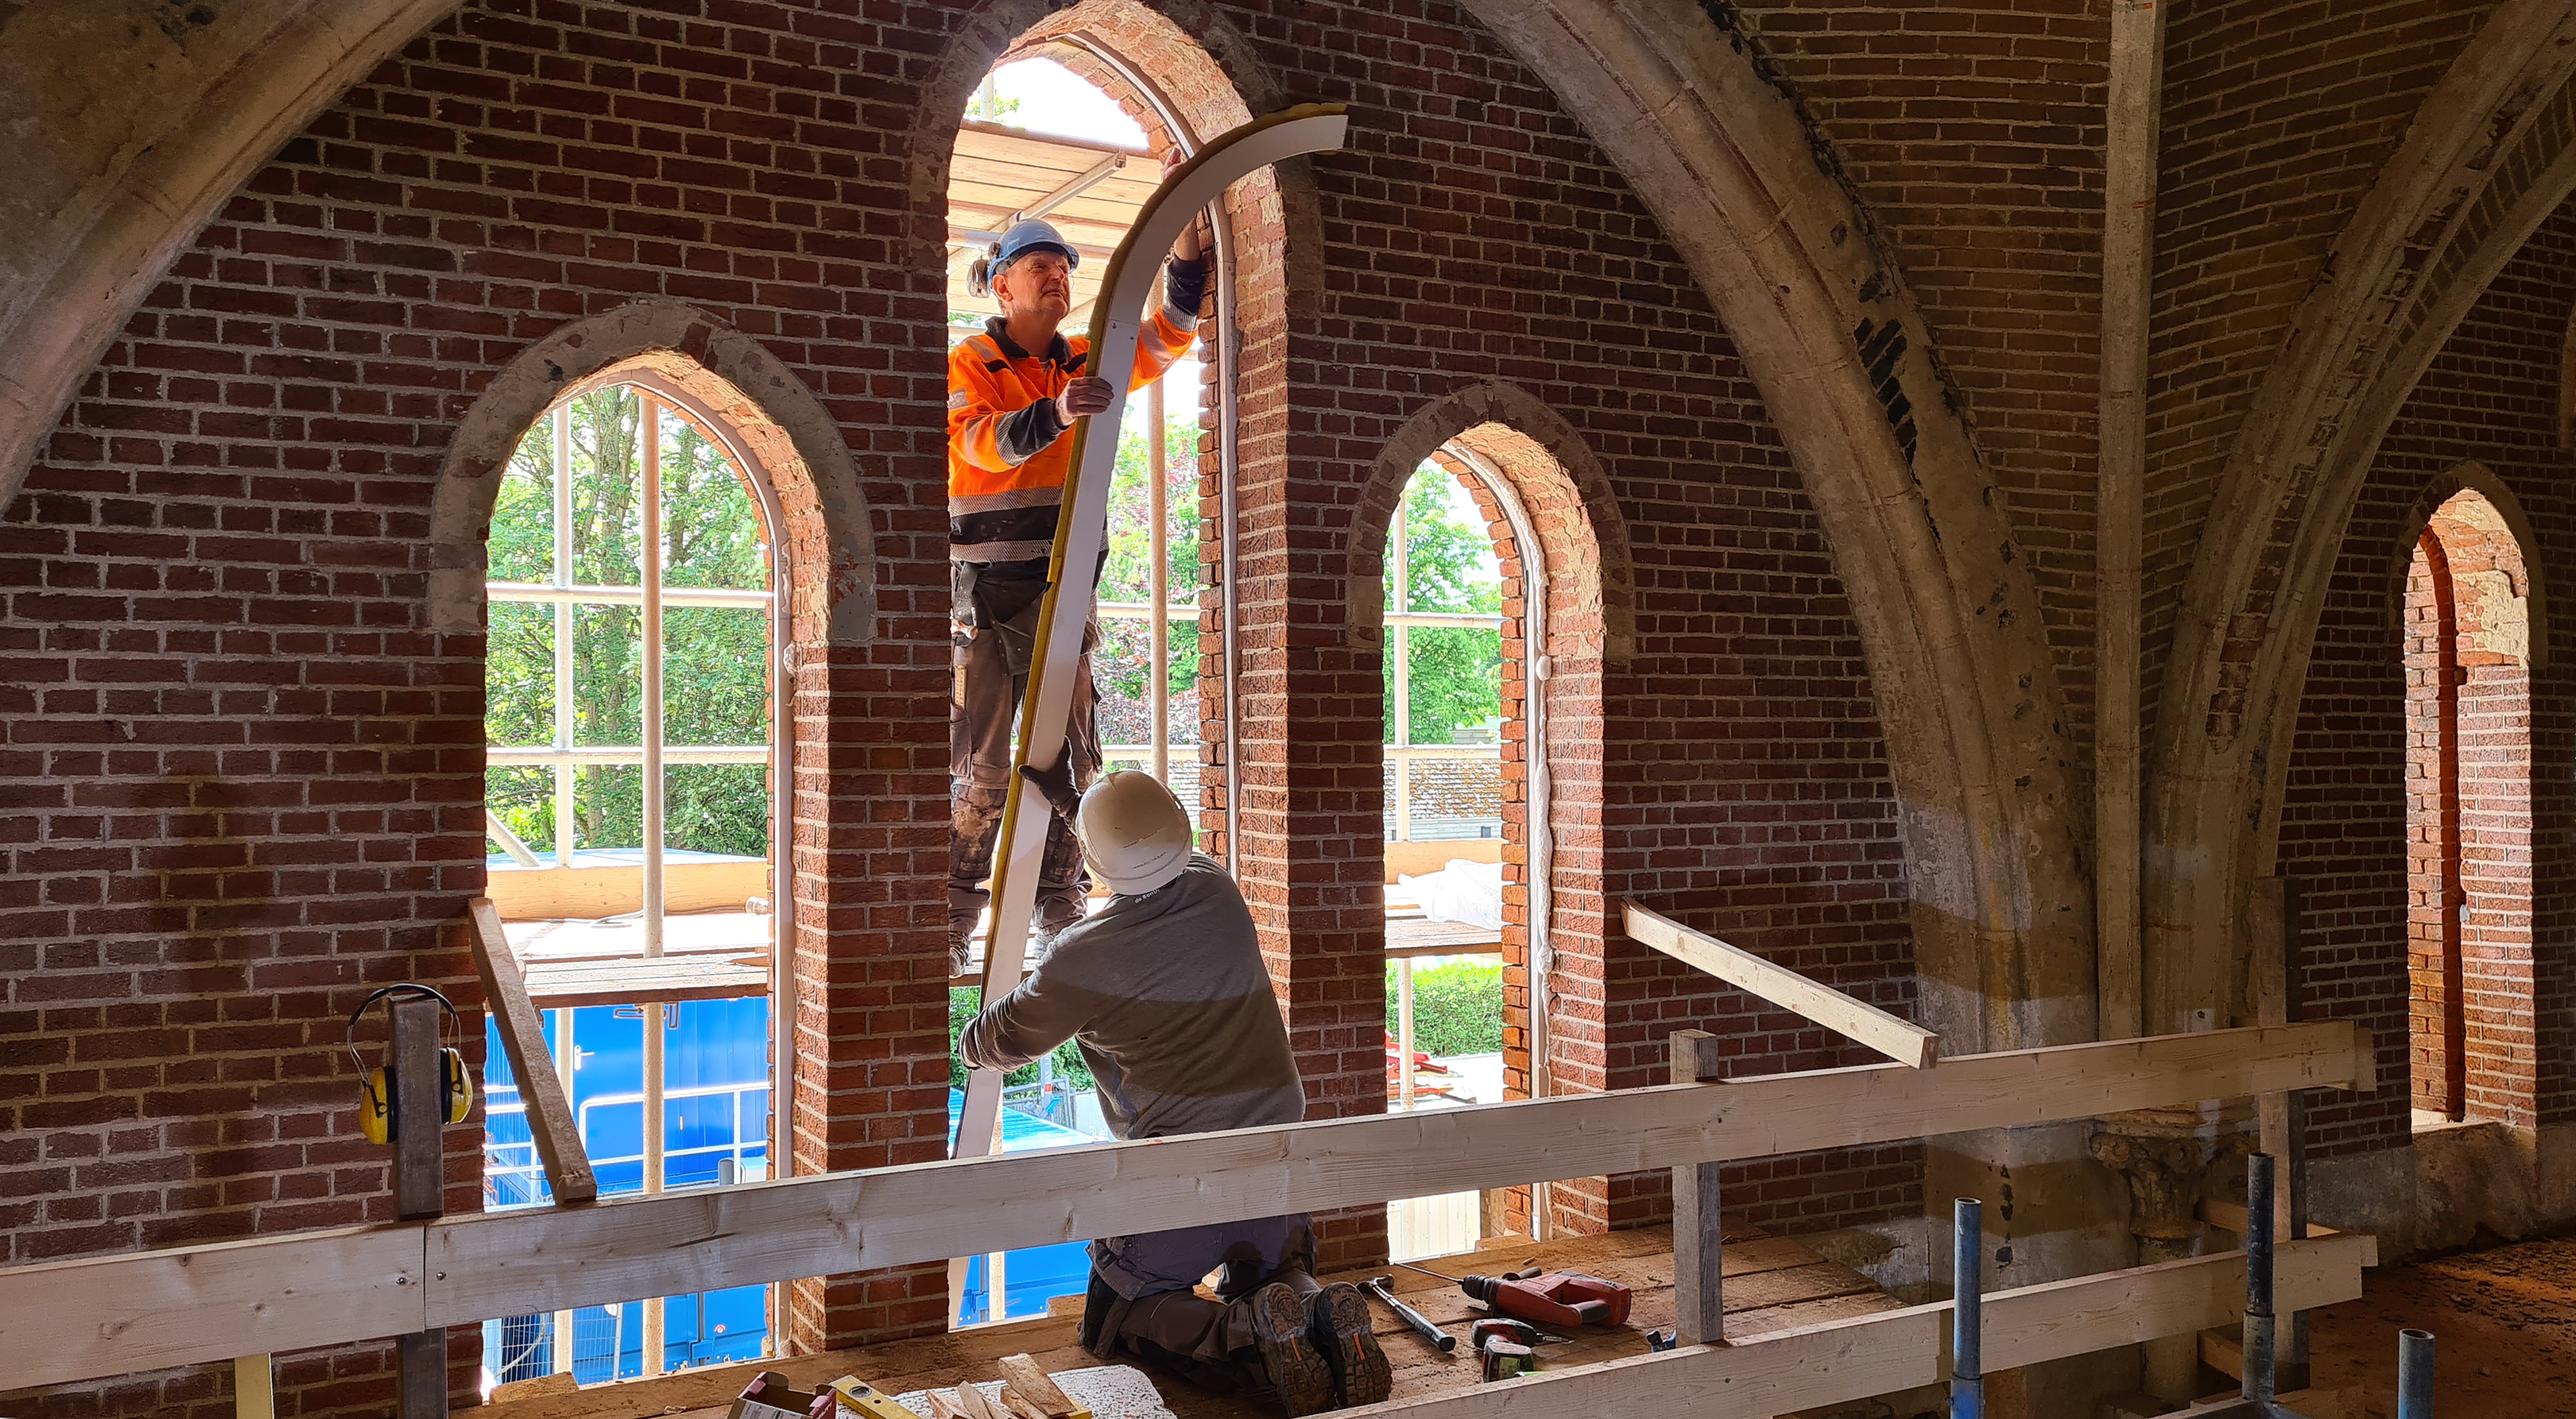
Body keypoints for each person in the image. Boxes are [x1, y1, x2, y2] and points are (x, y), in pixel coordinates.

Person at [957, 767, 1393, 1416]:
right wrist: (1083, 805)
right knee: (1270, 1276)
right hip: (1278, 1151)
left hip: (1179, 1172)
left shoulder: (1082, 956)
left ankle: (1242, 1333)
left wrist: (972, 1033)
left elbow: (1001, 1042)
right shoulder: (1218, 888)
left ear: (1097, 861)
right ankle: (1315, 1307)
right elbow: (1146, 848)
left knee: (1115, 1315)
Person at [946, 177, 1210, 976]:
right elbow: (981, 443)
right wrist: (1060, 411)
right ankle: (955, 918)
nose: (1057, 277)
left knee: (1069, 759)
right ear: (1003, 285)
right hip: (988, 596)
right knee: (985, 762)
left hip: (1064, 592)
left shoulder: (1085, 359)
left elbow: (1169, 333)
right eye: (1039, 266)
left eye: (1063, 266)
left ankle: (1058, 915)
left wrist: (1188, 239)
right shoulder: (973, 360)